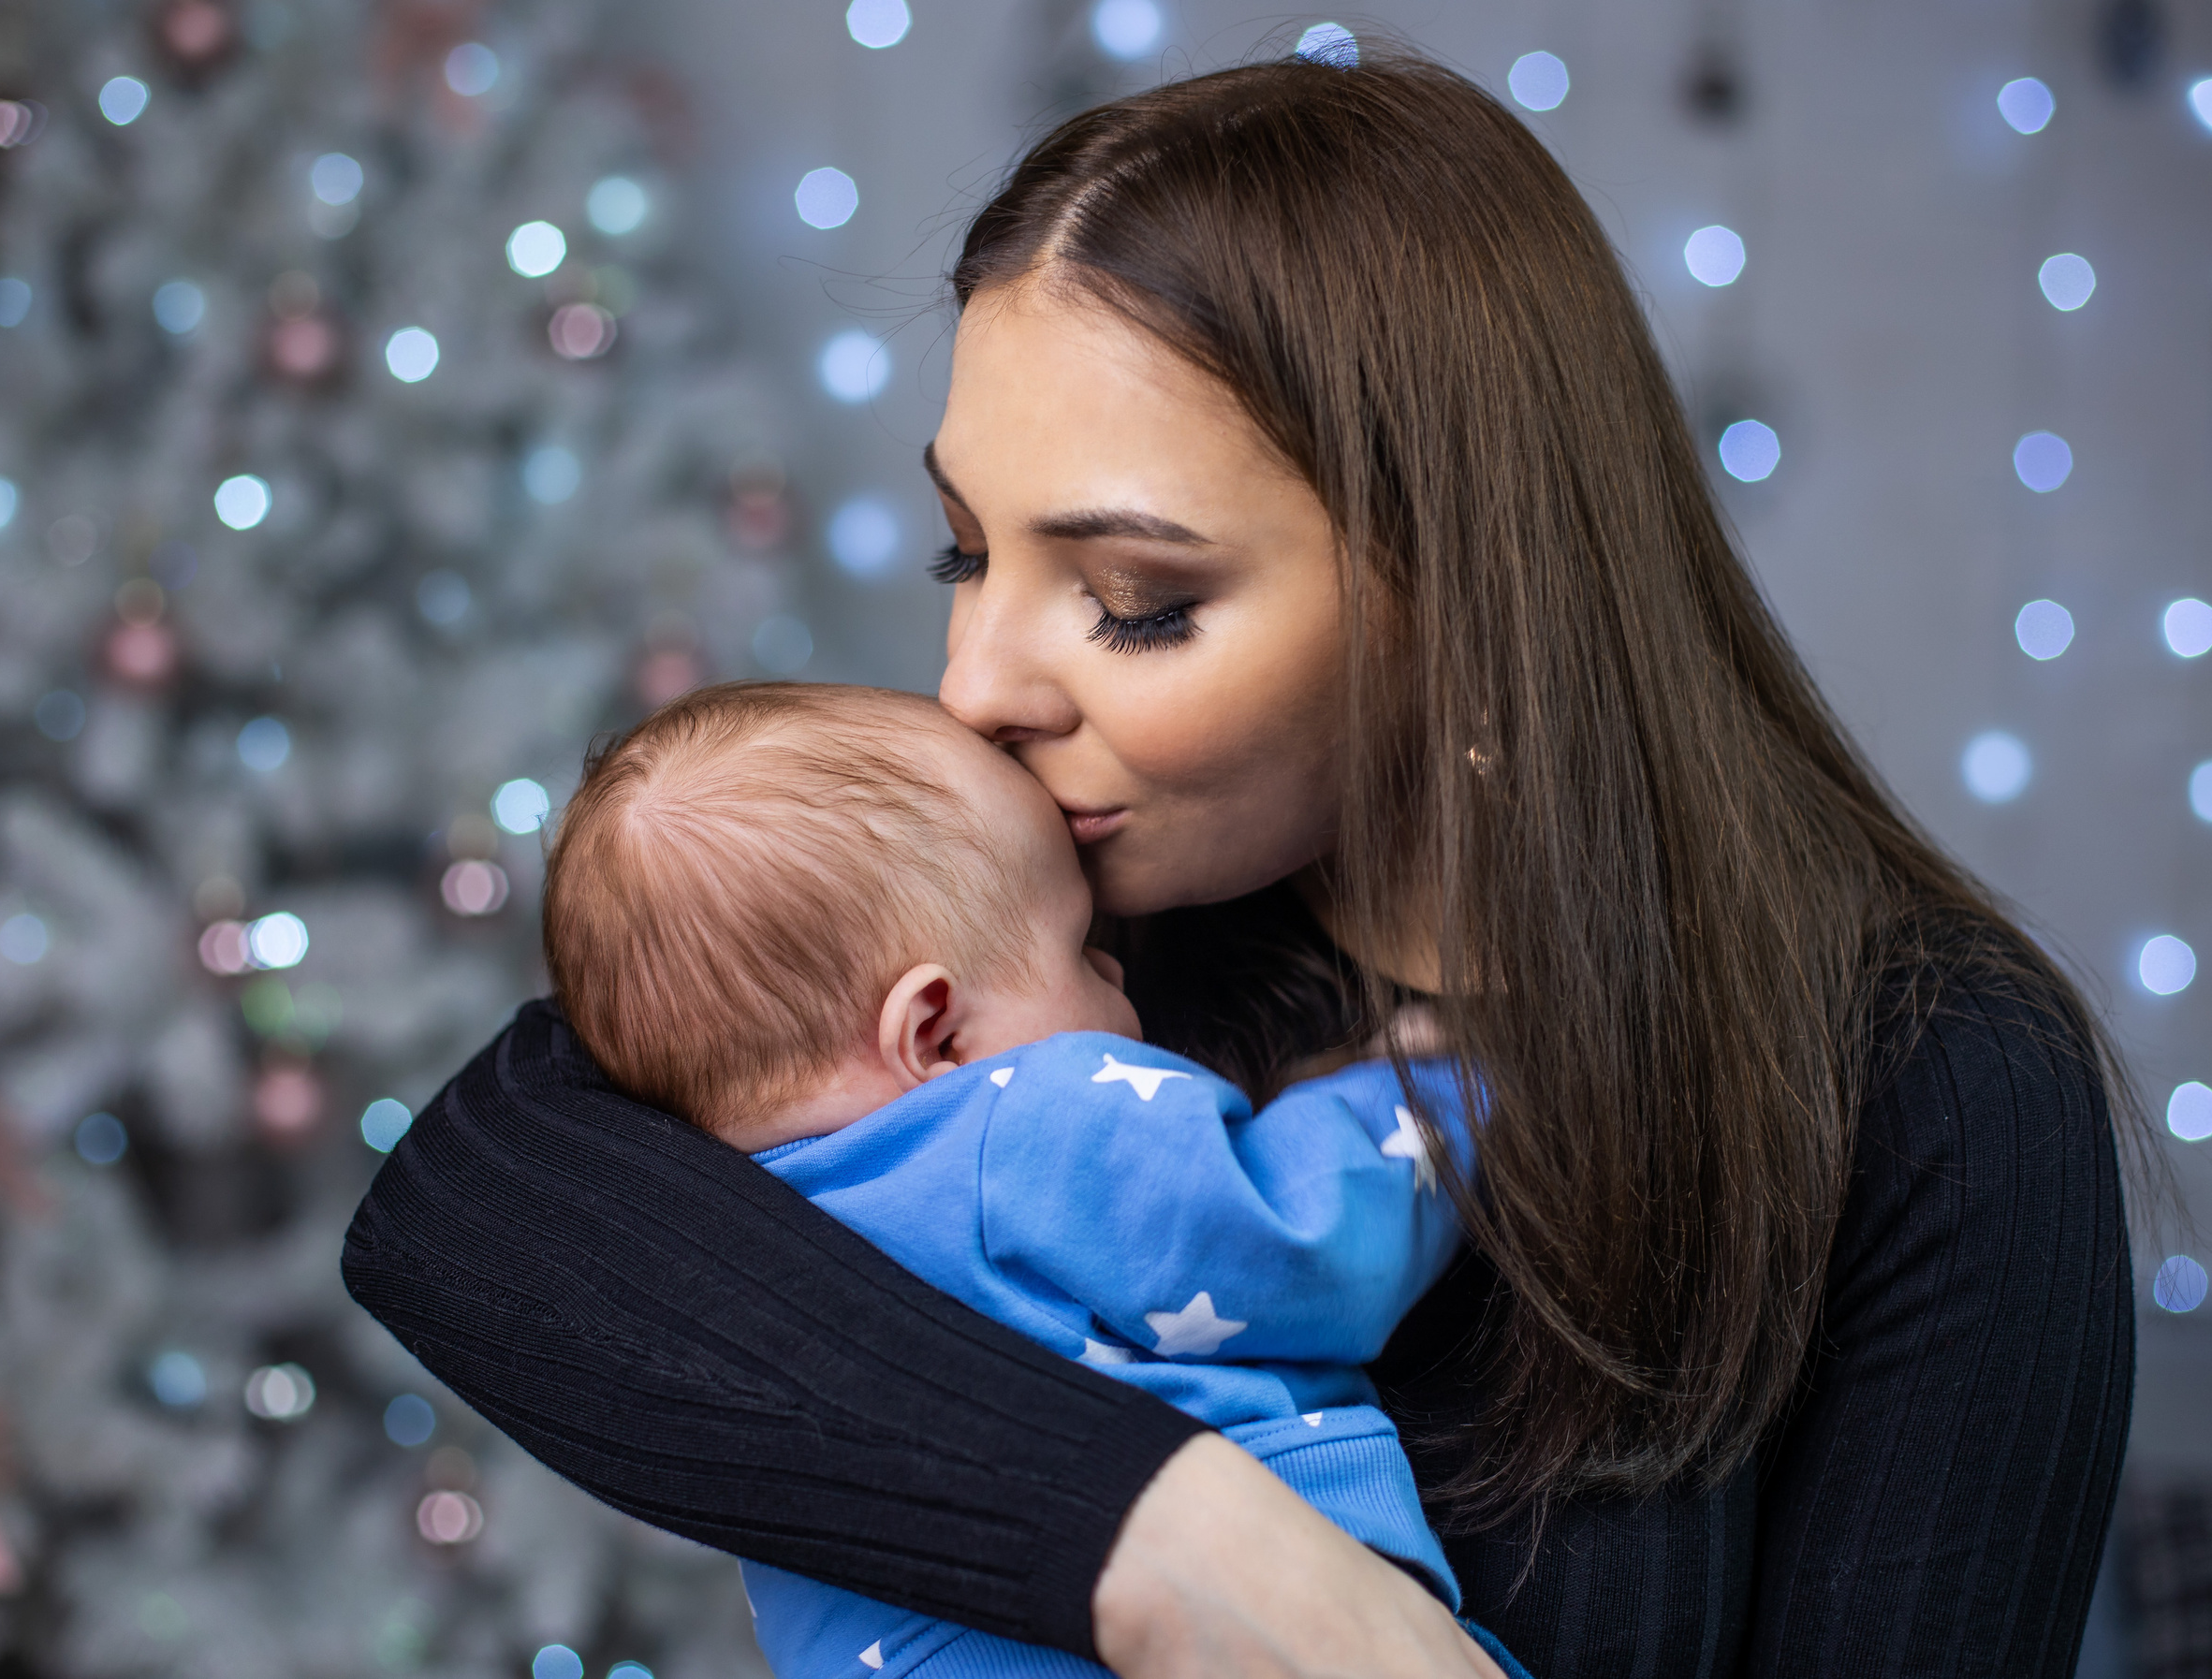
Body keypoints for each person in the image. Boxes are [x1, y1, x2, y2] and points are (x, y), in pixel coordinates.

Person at [344, 48, 2134, 1679]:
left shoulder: (1933, 1083)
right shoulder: (1051, 933)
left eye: (1134, 601)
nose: (973, 691)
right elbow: (467, 1199)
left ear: (1460, 598)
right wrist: (1175, 1543)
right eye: (965, 554)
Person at [536, 679, 1496, 1679]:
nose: (1118, 978)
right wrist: (1441, 1087)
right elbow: (1295, 1243)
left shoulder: (723, 1220)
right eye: (1080, 948)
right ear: (934, 1032)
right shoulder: (1023, 1126)